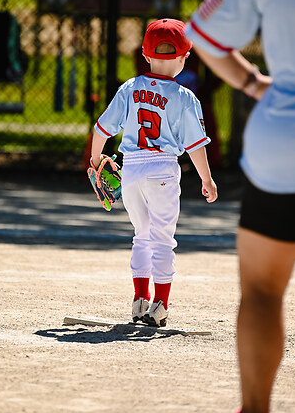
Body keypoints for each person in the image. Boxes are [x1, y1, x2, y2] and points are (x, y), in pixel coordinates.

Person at [184, 0, 295, 413]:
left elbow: (203, 34)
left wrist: (252, 81)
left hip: (286, 141)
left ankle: (255, 411)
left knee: (261, 289)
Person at [90, 18, 217, 327]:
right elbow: (195, 145)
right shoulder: (185, 97)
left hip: (131, 169)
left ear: (144, 55)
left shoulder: (129, 88)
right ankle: (159, 305)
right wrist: (206, 178)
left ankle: (139, 301)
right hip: (162, 169)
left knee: (141, 236)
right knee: (163, 239)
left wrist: (96, 163)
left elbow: (102, 128)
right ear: (186, 57)